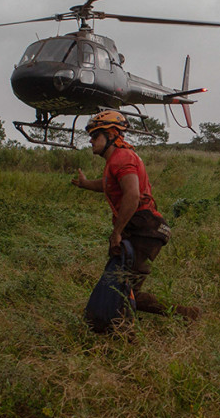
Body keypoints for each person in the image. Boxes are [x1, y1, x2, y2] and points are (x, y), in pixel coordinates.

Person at [74, 110, 199, 321]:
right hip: (140, 228)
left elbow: (132, 196)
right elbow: (110, 185)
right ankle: (185, 315)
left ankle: (182, 316)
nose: (91, 140)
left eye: (95, 136)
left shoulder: (122, 159)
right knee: (120, 286)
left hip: (145, 228)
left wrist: (117, 232)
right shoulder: (116, 160)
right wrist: (86, 184)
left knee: (123, 289)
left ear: (111, 135)